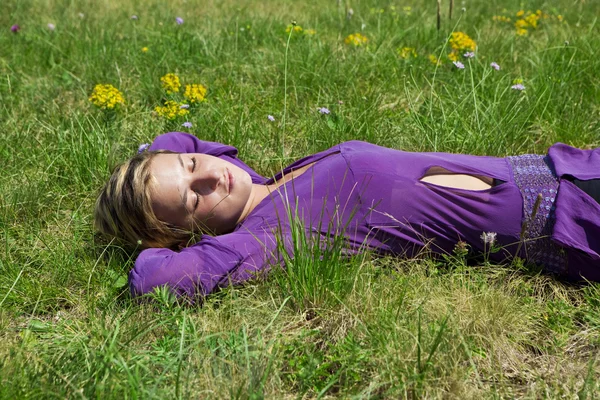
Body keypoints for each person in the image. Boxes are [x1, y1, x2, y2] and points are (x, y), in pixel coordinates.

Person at [94, 132, 600, 300]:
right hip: (571, 220)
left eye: (190, 166)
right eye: (191, 200)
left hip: (566, 167)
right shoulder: (272, 235)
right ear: (185, 233)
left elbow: (178, 143)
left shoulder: (260, 183)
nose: (209, 176)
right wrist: (148, 241)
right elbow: (157, 283)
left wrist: (149, 171)